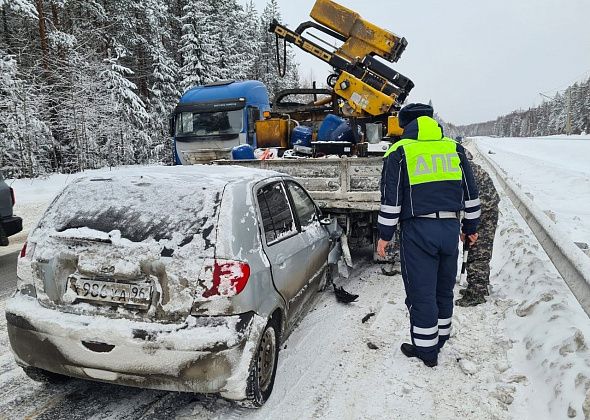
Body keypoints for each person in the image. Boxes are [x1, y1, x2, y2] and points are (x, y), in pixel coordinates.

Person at [377, 103, 480, 367]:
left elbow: (392, 199)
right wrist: (471, 228)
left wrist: (384, 235)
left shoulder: (399, 151)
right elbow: (470, 192)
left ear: (405, 124)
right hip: (449, 228)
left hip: (419, 230)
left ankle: (426, 351)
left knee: (421, 292)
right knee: (443, 288)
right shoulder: (453, 148)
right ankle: (441, 337)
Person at [455, 157, 500, 306]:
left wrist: (468, 228)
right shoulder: (466, 165)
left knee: (478, 251)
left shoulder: (461, 170)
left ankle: (476, 293)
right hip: (485, 207)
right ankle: (480, 287)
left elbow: (466, 200)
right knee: (479, 249)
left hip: (483, 210)